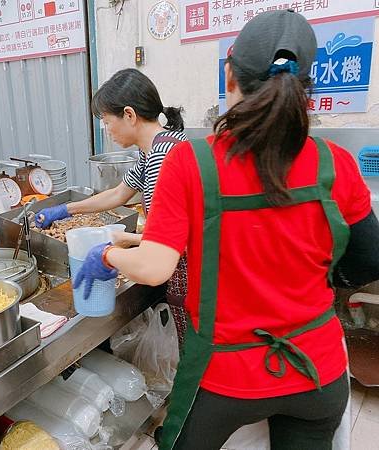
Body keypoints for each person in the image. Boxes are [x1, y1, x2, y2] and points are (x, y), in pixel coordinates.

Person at [74, 10, 379, 450]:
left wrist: (104, 254)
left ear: (229, 75)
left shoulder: (191, 162)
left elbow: (156, 268)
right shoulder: (336, 163)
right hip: (317, 371)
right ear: (307, 84)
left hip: (227, 375)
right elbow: (369, 257)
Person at [35, 68, 190, 339]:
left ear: (129, 114)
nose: (107, 131)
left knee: (196, 358)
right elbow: (118, 194)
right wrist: (63, 210)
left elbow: (167, 247)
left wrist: (111, 250)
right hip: (187, 267)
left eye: (106, 122)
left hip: (190, 277)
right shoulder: (156, 148)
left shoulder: (162, 158)